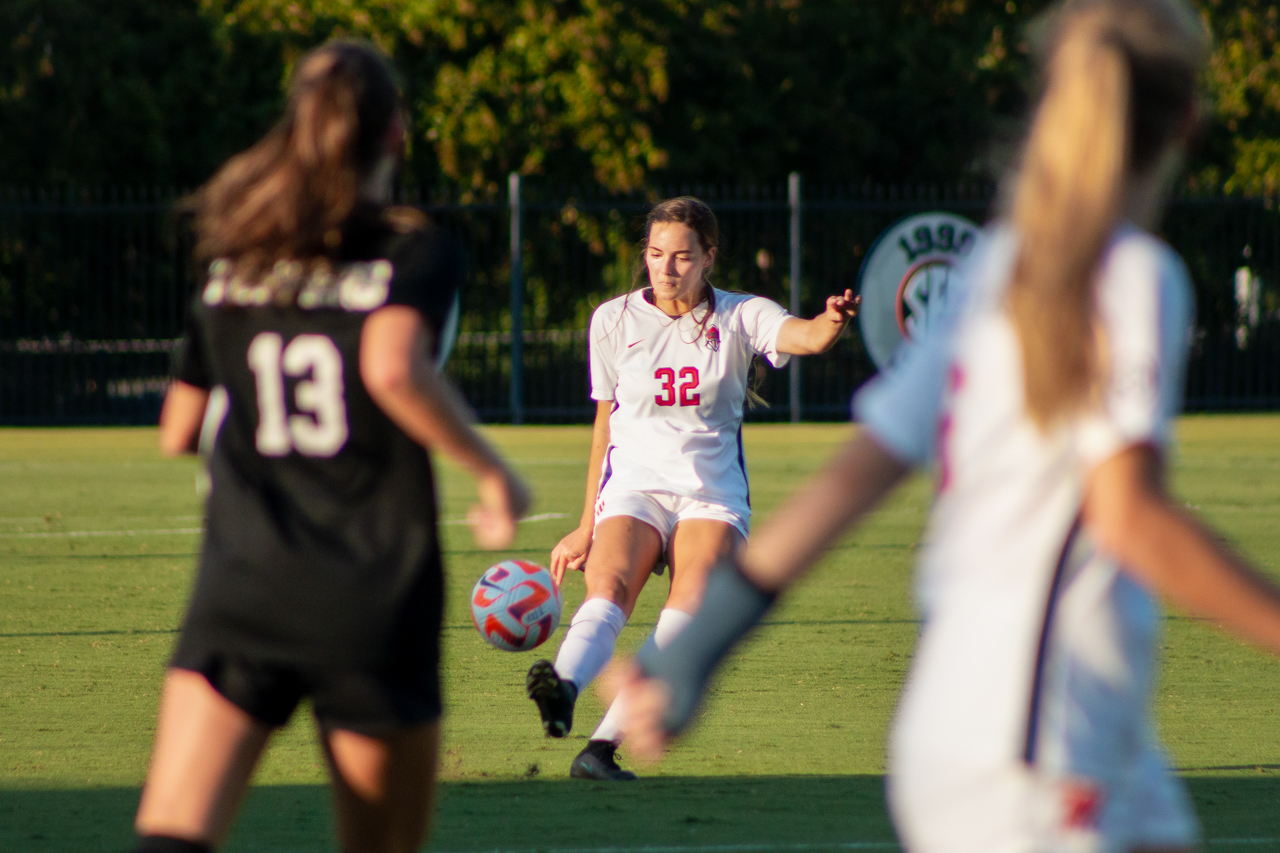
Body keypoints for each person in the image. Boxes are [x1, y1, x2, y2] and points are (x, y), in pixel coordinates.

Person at [618, 2, 1280, 850]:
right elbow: (1130, 515)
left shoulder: (995, 268)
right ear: (1187, 122)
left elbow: (851, 478)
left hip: (976, 727)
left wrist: (696, 648)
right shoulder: (1132, 275)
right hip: (1045, 738)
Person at [133, 41, 529, 853]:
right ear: (396, 133)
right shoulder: (414, 249)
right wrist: (493, 474)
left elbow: (177, 429)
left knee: (172, 836)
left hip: (241, 586)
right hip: (369, 594)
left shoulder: (235, 255)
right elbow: (390, 365)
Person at [527, 196, 859, 780]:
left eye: (682, 256)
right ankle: (565, 689)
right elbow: (605, 424)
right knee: (608, 587)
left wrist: (831, 320)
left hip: (710, 492)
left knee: (689, 607)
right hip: (634, 485)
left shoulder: (740, 313)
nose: (666, 268)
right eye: (656, 254)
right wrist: (587, 524)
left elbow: (802, 337)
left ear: (709, 257)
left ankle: (600, 750)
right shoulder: (613, 319)